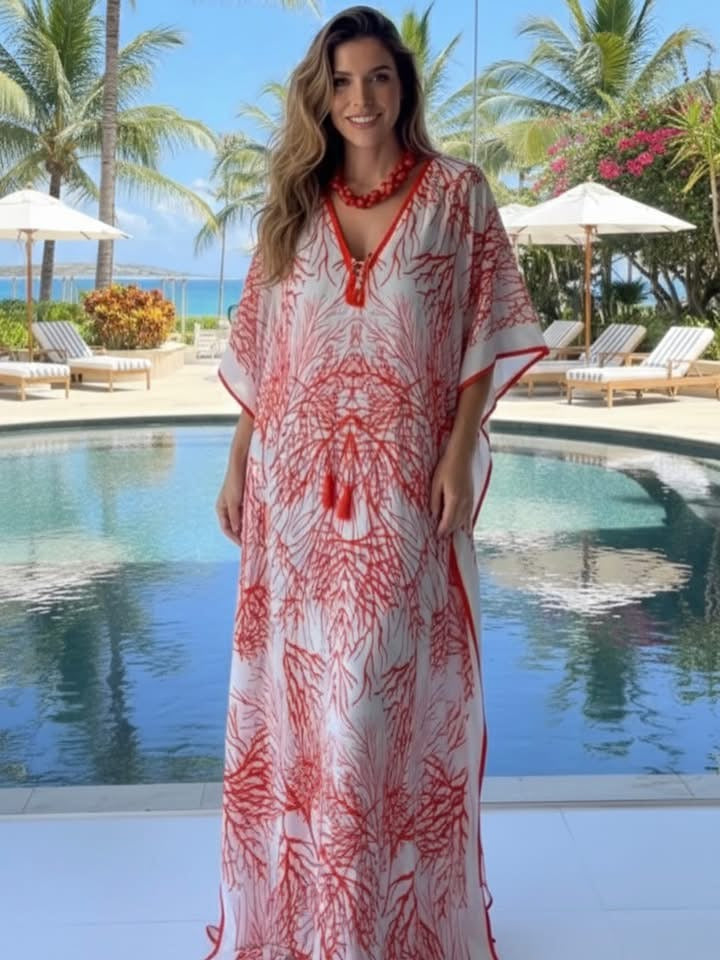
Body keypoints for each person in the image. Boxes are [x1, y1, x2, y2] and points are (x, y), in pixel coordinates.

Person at [206, 7, 547, 959]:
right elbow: (265, 356)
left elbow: (482, 334)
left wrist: (459, 450)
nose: (361, 99)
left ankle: (386, 927)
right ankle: (316, 923)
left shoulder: (457, 194)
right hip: (293, 504)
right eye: (343, 82)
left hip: (401, 495)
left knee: (377, 701)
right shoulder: (292, 207)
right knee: (306, 710)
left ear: (404, 86)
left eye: (379, 78)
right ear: (321, 97)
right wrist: (235, 463)